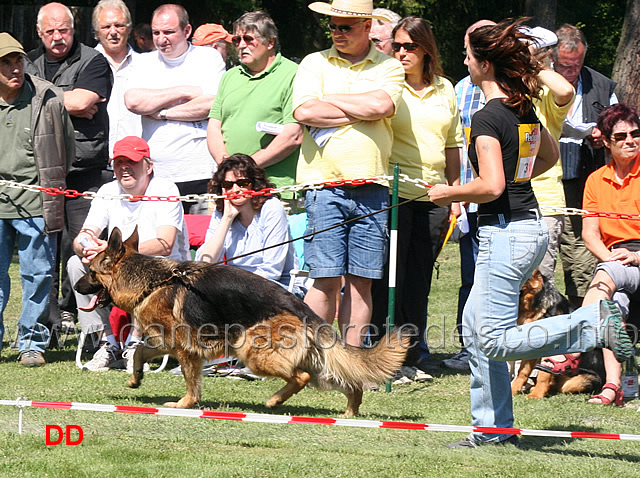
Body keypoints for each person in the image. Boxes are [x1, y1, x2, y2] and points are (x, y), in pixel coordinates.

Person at [427, 19, 631, 448]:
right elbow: (550, 156)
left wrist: (448, 191)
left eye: (467, 55)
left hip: (506, 233)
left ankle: (592, 324)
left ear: (484, 65)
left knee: (495, 340)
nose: (464, 62)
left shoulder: (486, 118)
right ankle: (493, 430)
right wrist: (517, 178)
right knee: (475, 327)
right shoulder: (521, 110)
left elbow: (491, 187)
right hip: (527, 226)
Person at [292, 0, 404, 346]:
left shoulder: (390, 66)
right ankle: (314, 357)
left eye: (346, 27)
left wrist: (332, 99)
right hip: (323, 185)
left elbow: (383, 106)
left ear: (368, 28)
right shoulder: (314, 62)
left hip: (372, 185)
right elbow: (305, 111)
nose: (337, 33)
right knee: (324, 278)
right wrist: (362, 110)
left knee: (362, 281)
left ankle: (351, 363)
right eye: (333, 27)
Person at [370, 16, 462, 376]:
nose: (402, 52)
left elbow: (453, 143)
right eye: (397, 46)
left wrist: (454, 191)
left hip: (434, 197)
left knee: (419, 280)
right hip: (394, 194)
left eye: (410, 46)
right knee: (389, 278)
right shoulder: (389, 85)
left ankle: (413, 351)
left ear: (427, 49)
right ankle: (381, 354)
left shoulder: (445, 88)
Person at [537, 104, 640, 405]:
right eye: (620, 136)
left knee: (605, 278)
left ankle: (569, 349)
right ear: (606, 141)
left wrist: (631, 258)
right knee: (611, 307)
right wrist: (609, 258)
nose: (630, 140)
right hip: (612, 259)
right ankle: (614, 387)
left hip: (637, 256)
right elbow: (589, 234)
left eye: (635, 134)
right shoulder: (596, 179)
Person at [25, 2, 113, 338]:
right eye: (50, 31)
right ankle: (47, 323)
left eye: (64, 30)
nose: (58, 37)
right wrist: (67, 100)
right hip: (41, 173)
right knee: (41, 251)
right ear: (39, 32)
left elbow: (82, 101)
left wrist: (41, 99)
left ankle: (94, 328)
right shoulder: (29, 61)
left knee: (86, 249)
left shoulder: (93, 60)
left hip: (83, 170)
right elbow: (72, 102)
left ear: (73, 29)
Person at [68, 136, 190, 372]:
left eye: (131, 161)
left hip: (165, 270)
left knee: (139, 268)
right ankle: (108, 343)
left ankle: (136, 343)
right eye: (118, 162)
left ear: (148, 165)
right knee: (76, 264)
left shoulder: (165, 188)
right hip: (116, 266)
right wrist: (86, 245)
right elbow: (83, 235)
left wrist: (113, 253)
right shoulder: (107, 190)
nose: (124, 167)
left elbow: (165, 243)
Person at [0, 33, 74, 366]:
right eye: (6, 63)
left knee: (39, 275)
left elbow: (67, 149)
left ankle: (32, 343)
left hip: (36, 201)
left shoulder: (47, 96)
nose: (15, 68)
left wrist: (52, 183)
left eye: (18, 61)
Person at [125, 4, 226, 214]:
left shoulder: (208, 58)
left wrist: (161, 113)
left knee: (205, 242)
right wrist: (184, 91)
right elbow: (133, 102)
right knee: (163, 243)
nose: (162, 39)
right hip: (158, 174)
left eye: (169, 32)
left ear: (187, 31)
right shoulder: (143, 62)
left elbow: (213, 104)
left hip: (201, 170)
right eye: (156, 33)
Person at [206, 11, 303, 213]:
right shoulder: (230, 76)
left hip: (273, 190)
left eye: (248, 39)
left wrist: (244, 168)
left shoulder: (293, 74)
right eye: (236, 39)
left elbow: (293, 135)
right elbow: (214, 126)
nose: (241, 45)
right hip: (229, 189)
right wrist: (227, 166)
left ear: (270, 42)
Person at [553, 24, 618, 307]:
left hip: (584, 181)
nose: (572, 72)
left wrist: (602, 135)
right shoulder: (537, 83)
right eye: (565, 66)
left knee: (580, 254)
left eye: (577, 65)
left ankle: (582, 319)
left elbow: (617, 125)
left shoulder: (602, 86)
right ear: (553, 59)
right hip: (543, 179)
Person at [197, 154, 300, 292]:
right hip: (238, 288)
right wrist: (227, 218)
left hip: (277, 288)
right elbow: (205, 263)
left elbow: (271, 271)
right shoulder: (222, 212)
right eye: (228, 185)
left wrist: (235, 288)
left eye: (242, 183)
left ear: (255, 184)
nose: (235, 190)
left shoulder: (271, 207)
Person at [528, 28, 575, 286]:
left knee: (539, 288)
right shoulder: (504, 92)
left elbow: (565, 91)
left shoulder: (547, 96)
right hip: (509, 201)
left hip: (545, 203)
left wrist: (533, 63)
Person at [93, 0, 142, 158]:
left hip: (137, 160)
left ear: (129, 28)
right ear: (96, 31)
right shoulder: (83, 66)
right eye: (106, 27)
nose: (113, 32)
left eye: (119, 25)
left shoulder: (146, 66)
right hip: (95, 162)